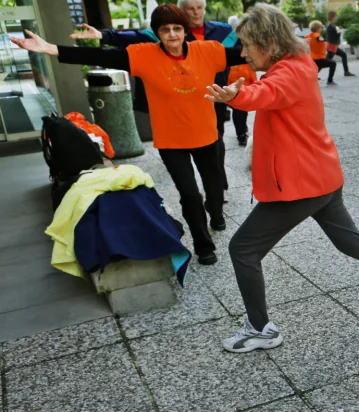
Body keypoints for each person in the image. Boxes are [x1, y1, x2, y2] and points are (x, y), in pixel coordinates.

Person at [205, 5, 359, 353]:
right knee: (350, 242)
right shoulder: (296, 66)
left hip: (301, 186)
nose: (243, 52)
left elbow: (264, 95)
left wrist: (236, 95)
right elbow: (268, 94)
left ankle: (261, 329)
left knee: (242, 248)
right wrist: (242, 95)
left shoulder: (289, 73)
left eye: (249, 44)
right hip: (321, 177)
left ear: (268, 42)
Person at [16, 4, 248, 265]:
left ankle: (215, 213)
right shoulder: (144, 55)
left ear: (185, 31)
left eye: (177, 28)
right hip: (172, 141)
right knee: (190, 195)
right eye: (165, 29)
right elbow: (104, 58)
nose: (172, 35)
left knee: (214, 187)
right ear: (157, 33)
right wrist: (50, 49)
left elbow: (244, 55)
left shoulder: (207, 50)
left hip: (206, 136)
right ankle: (203, 245)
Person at [71, 0, 238, 194]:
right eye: (190, 9)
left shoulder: (222, 31)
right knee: (190, 178)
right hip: (177, 101)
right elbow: (133, 37)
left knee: (216, 142)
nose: (196, 12)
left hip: (213, 96)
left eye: (199, 8)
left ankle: (218, 185)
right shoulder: (170, 32)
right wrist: (103, 35)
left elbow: (242, 52)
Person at [227, 14, 254, 147]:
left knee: (239, 108)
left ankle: (241, 133)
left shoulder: (232, 38)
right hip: (236, 76)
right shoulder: (238, 38)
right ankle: (241, 133)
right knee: (239, 109)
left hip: (237, 76)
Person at [304, 20, 336, 85]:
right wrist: (326, 39)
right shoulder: (317, 35)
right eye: (321, 28)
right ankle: (330, 80)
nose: (321, 29)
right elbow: (319, 39)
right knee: (333, 63)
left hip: (313, 57)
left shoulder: (309, 35)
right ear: (318, 28)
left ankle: (311, 78)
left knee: (318, 67)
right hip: (319, 57)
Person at [325, 11, 355, 78]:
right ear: (333, 16)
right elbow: (336, 34)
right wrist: (339, 31)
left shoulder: (331, 25)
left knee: (343, 55)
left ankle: (346, 71)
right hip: (332, 45)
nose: (336, 17)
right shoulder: (331, 26)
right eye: (335, 16)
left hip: (333, 45)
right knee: (326, 61)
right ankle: (315, 73)